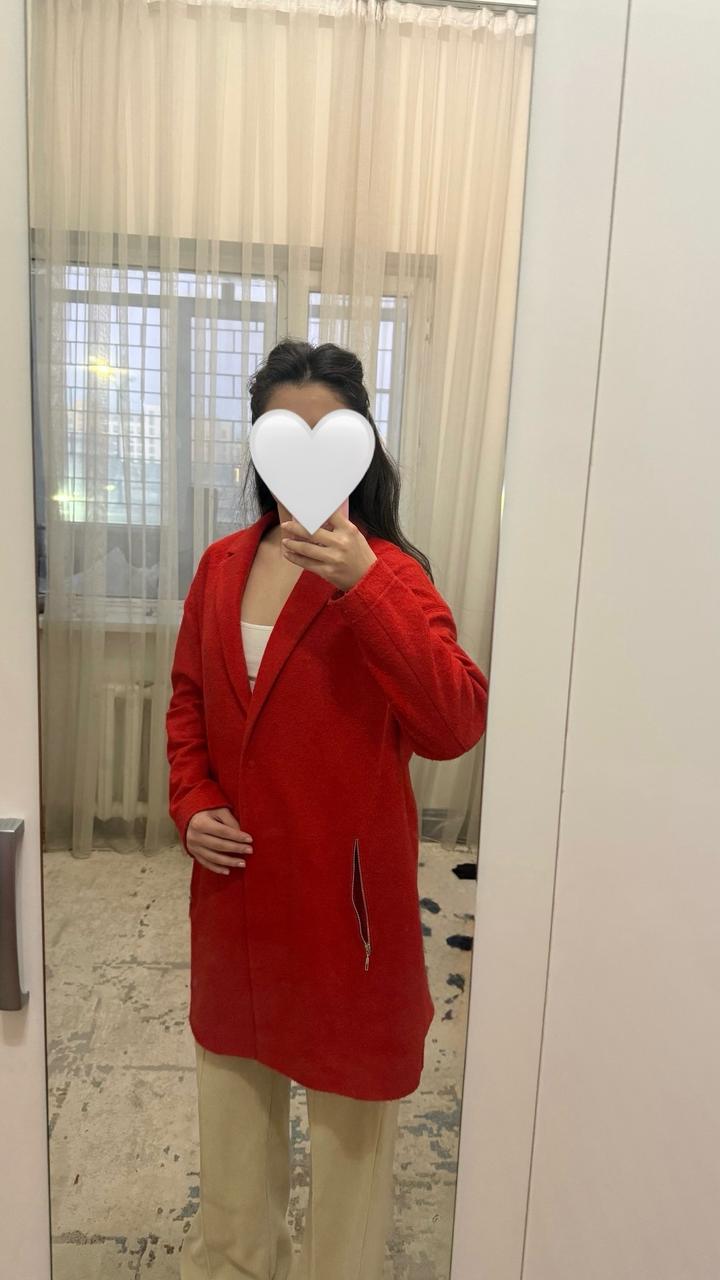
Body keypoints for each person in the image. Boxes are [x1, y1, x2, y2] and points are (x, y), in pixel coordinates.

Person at [166, 338, 489, 1280]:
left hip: (347, 907)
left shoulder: (390, 573)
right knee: (234, 1127)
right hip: (238, 896)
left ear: (362, 447)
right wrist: (192, 800)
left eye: (328, 432)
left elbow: (454, 723)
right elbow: (189, 699)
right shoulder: (222, 565)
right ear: (258, 446)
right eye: (284, 431)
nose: (305, 453)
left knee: (351, 1144)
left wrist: (363, 586)